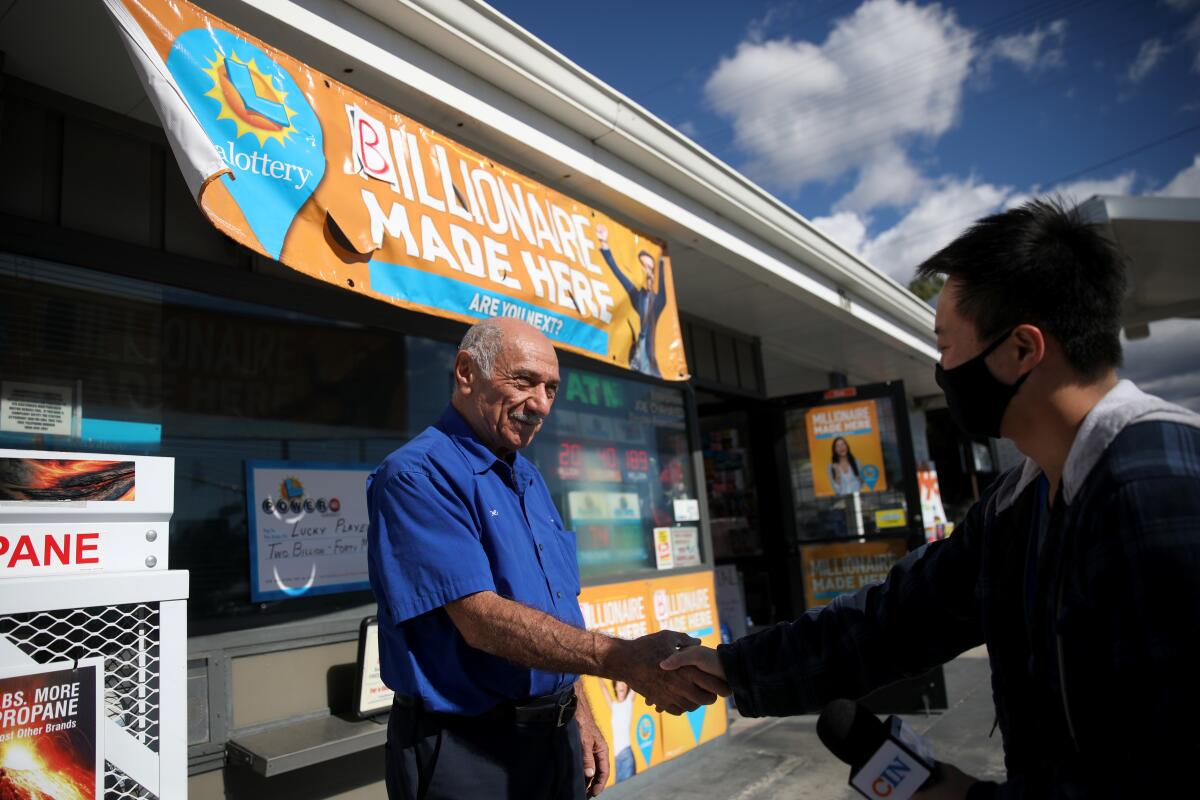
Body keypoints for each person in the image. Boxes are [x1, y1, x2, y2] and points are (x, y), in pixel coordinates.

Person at [660, 199, 1200, 797]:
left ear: (1022, 350)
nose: (942, 370)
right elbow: (895, 619)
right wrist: (734, 668)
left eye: (946, 347)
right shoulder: (1014, 504)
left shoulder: (1155, 488)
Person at [367, 317, 728, 800]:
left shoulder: (529, 479)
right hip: (467, 751)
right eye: (524, 381)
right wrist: (624, 660)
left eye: (551, 389)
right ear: (466, 372)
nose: (540, 405)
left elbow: (554, 612)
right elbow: (481, 620)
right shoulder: (417, 476)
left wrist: (578, 709)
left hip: (553, 738)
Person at [595, 223, 668, 377]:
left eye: (650, 267)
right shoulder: (638, 296)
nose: (647, 271)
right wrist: (604, 243)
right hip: (635, 364)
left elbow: (664, 287)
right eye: (643, 266)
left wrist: (661, 256)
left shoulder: (657, 301)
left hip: (651, 369)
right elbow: (618, 272)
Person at [598, 680, 637, 783]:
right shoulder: (614, 706)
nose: (622, 685)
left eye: (624, 683)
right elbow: (603, 688)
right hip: (617, 757)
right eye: (619, 682)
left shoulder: (629, 701)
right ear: (615, 687)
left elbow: (636, 683)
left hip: (626, 755)